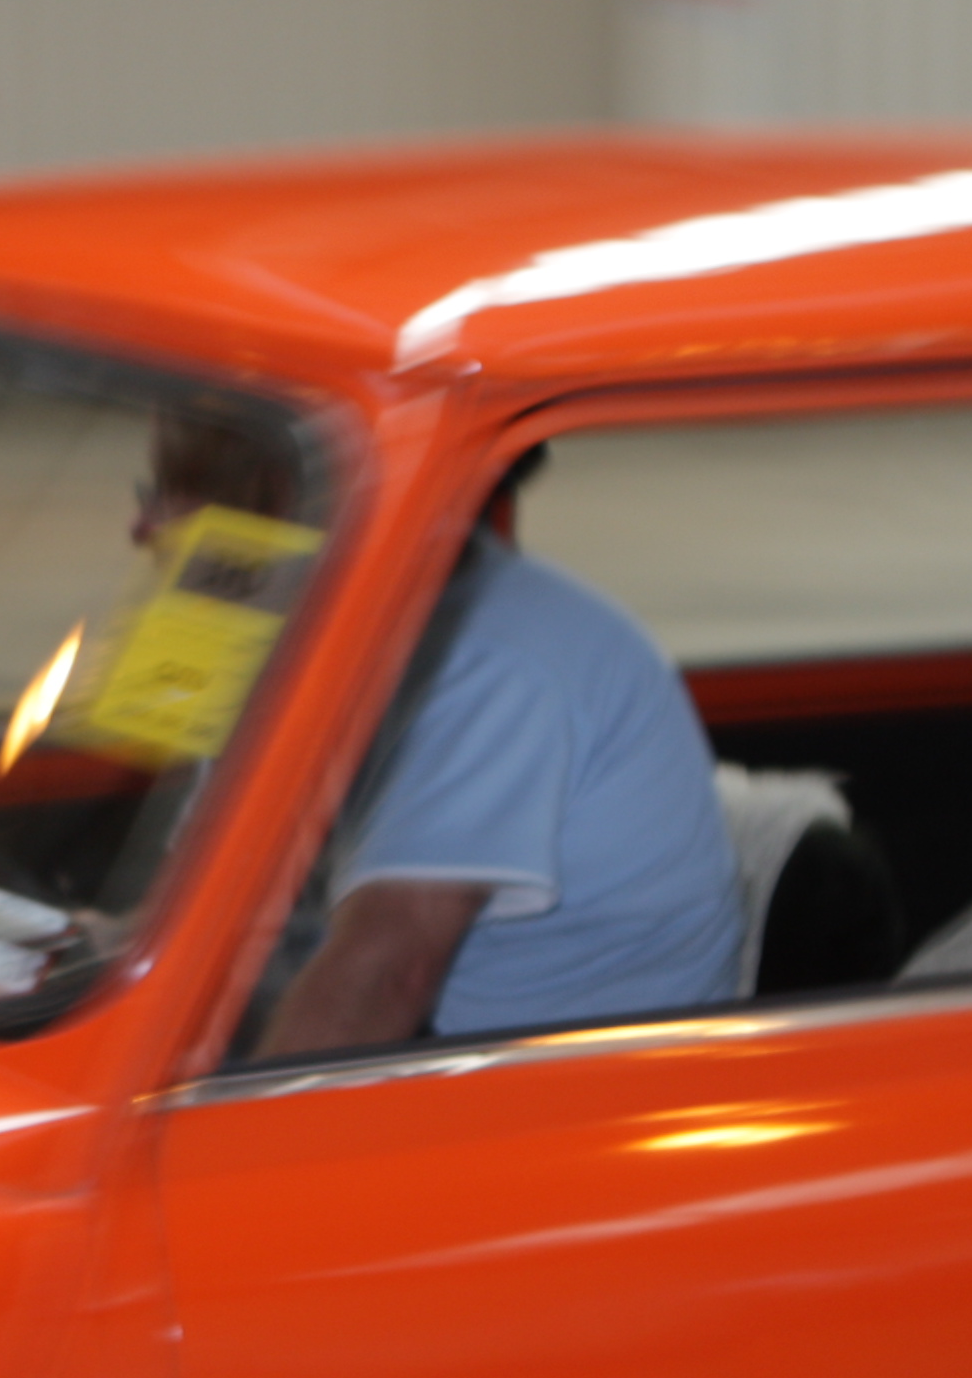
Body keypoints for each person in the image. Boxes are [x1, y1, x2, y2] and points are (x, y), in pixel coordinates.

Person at [143, 419, 740, 1058]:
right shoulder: (316, 637)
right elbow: (222, 901)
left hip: (546, 1085)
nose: (142, 527)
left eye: (180, 491)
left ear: (286, 509)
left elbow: (389, 975)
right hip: (434, 1049)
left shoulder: (491, 659)